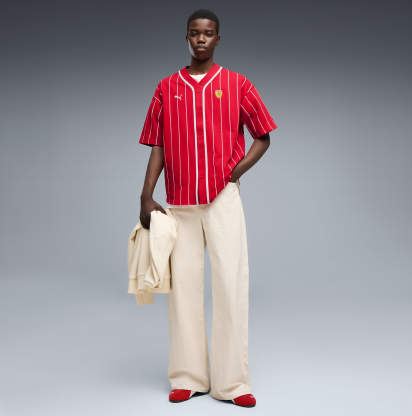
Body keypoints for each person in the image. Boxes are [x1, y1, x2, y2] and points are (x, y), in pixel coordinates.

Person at [138, 8, 278, 408]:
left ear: (218, 39)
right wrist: (146, 195)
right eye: (195, 32)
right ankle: (188, 376)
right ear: (186, 37)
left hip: (222, 201)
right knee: (183, 289)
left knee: (231, 285)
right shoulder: (166, 87)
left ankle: (233, 383)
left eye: (209, 33)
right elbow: (158, 145)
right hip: (179, 203)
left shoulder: (237, 84)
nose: (201, 39)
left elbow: (263, 136)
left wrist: (236, 172)